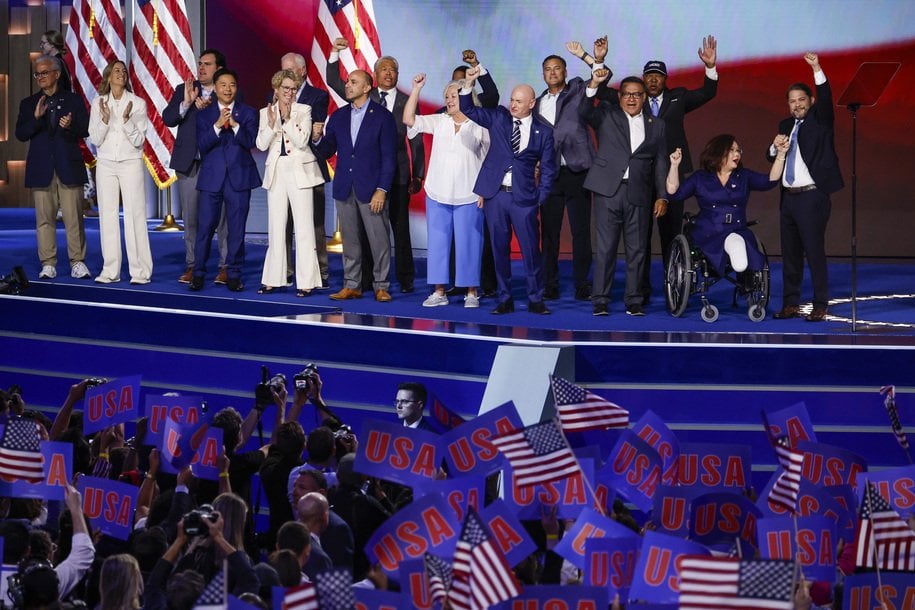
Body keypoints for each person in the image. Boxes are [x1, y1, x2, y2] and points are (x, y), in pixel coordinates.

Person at [587, 35, 719, 303]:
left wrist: (710, 67)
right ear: (643, 81)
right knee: (640, 238)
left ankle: (674, 287)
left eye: (658, 76)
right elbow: (601, 92)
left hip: (670, 176)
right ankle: (641, 290)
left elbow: (707, 93)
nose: (654, 80)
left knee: (671, 233)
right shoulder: (633, 99)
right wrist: (598, 60)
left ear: (665, 79)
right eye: (649, 75)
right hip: (638, 178)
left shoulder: (678, 98)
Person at [328, 38, 425, 293]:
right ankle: (362, 282)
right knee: (359, 234)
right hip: (360, 178)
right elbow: (336, 83)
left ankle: (401, 281)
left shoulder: (402, 103)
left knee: (396, 231)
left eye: (393, 69)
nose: (389, 73)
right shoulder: (350, 108)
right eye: (384, 69)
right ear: (375, 75)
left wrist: (418, 174)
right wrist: (334, 55)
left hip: (397, 175)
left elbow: (414, 140)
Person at [459, 66, 557, 315]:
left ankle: (535, 298)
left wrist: (539, 199)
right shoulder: (499, 118)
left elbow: (548, 170)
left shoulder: (544, 132)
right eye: (512, 100)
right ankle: (505, 298)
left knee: (530, 252)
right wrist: (469, 85)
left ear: (531, 103)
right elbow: (468, 109)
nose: (513, 105)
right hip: (496, 196)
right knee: (499, 250)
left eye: (519, 101)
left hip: (524, 199)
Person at [581, 70, 669, 317]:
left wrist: (662, 195)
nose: (632, 99)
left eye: (637, 95)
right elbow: (585, 112)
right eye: (627, 94)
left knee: (637, 249)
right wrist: (594, 84)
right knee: (606, 248)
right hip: (608, 191)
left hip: (639, 193)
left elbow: (661, 162)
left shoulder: (657, 125)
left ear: (644, 98)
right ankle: (600, 299)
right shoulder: (607, 116)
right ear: (619, 97)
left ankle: (634, 299)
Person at [769, 52, 843, 322]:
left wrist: (817, 68)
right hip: (788, 198)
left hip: (812, 198)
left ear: (810, 102)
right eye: (792, 101)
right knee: (790, 254)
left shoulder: (820, 120)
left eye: (802, 100)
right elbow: (773, 154)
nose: (797, 105)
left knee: (813, 251)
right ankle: (791, 303)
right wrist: (773, 147)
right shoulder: (786, 125)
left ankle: (820, 304)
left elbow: (825, 100)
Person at [403, 73, 488, 308]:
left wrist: (484, 191)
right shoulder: (440, 121)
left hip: (470, 195)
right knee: (439, 244)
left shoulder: (480, 126)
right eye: (447, 96)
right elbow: (409, 119)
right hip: (438, 193)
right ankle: (439, 291)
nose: (449, 100)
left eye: (454, 96)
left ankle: (471, 292)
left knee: (469, 243)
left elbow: (489, 161)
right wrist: (416, 89)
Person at [312, 69, 398, 303]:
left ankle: (381, 285)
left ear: (366, 87)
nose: (348, 85)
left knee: (378, 239)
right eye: (348, 81)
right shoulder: (338, 116)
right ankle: (353, 285)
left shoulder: (382, 117)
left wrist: (382, 189)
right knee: (350, 241)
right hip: (344, 188)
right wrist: (317, 138)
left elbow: (389, 158)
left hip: (372, 190)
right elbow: (327, 149)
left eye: (353, 82)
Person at [536, 42, 605, 302]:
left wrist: (589, 57)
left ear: (565, 71)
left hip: (578, 171)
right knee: (550, 233)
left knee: (580, 232)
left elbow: (600, 76)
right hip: (551, 175)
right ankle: (550, 283)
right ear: (543, 74)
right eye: (547, 69)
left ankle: (581, 283)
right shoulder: (538, 102)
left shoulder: (577, 89)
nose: (552, 73)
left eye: (557, 68)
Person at [666, 134, 789, 278]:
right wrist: (674, 166)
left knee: (740, 263)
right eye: (732, 150)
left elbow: (770, 180)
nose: (737, 154)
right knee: (738, 260)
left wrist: (781, 155)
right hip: (708, 232)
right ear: (718, 152)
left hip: (736, 229)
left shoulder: (743, 176)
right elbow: (674, 194)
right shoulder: (700, 177)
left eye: (738, 151)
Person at [15, 55, 91, 281]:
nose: (40, 77)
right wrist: (37, 118)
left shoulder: (74, 100)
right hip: (42, 169)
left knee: (73, 218)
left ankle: (77, 262)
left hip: (68, 165)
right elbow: (21, 134)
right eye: (37, 73)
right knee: (44, 219)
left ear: (57, 74)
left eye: (44, 72)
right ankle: (48, 263)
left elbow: (85, 130)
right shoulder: (29, 103)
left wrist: (71, 126)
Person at [162, 49, 230, 286]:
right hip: (189, 163)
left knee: (222, 219)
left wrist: (211, 110)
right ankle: (193, 265)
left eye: (207, 64)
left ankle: (225, 267)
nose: (201, 68)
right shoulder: (186, 89)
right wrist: (185, 104)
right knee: (191, 218)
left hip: (217, 164)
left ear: (218, 68)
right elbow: (168, 118)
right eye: (200, 64)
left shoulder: (227, 89)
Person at [190, 68, 261, 292]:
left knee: (237, 229)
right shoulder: (204, 114)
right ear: (216, 87)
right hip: (212, 179)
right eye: (223, 85)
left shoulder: (248, 113)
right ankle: (198, 273)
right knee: (205, 228)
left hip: (239, 178)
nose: (227, 89)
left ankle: (233, 274)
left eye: (231, 85)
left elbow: (250, 141)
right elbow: (201, 145)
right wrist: (218, 126)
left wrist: (236, 125)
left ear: (236, 88)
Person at [255, 69, 324, 296]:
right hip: (276, 171)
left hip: (299, 171)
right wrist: (272, 123)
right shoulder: (266, 112)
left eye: (293, 89)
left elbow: (303, 140)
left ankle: (306, 282)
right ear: (276, 89)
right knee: (276, 227)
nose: (290, 92)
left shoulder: (304, 110)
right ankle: (273, 279)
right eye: (285, 88)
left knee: (304, 228)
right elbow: (262, 144)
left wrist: (286, 120)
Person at [88, 59, 153, 285]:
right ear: (108, 77)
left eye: (124, 71)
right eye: (116, 70)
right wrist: (105, 120)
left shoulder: (137, 103)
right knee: (108, 215)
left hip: (130, 162)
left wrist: (125, 120)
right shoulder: (98, 103)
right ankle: (110, 270)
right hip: (106, 163)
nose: (121, 74)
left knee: (135, 215)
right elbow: (95, 138)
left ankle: (140, 271)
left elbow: (139, 141)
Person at [280, 52, 331, 289]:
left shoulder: (317, 96)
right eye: (282, 70)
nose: (285, 75)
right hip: (282, 169)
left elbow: (311, 132)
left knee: (314, 223)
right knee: (284, 223)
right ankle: (286, 270)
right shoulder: (274, 96)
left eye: (289, 70)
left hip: (308, 167)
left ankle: (318, 271)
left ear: (302, 71)